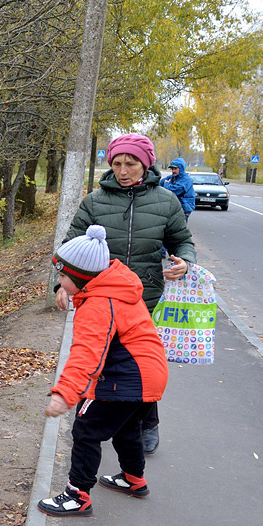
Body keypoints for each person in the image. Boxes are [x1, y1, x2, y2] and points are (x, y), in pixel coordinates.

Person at [57, 133, 194, 454]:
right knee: (99, 356)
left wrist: (185, 261)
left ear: (145, 164)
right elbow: (69, 246)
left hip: (145, 298)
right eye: (117, 163)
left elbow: (182, 241)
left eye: (130, 163)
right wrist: (59, 284)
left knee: (136, 364)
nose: (123, 170)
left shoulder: (166, 202)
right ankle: (96, 414)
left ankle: (147, 422)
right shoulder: (94, 202)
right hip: (98, 297)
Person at [40, 225, 169, 517]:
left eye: (62, 277)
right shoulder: (115, 285)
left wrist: (65, 393)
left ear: (81, 278)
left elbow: (87, 354)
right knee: (125, 427)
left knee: (86, 429)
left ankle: (77, 495)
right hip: (148, 373)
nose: (59, 281)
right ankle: (133, 479)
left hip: (126, 377)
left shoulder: (98, 304)